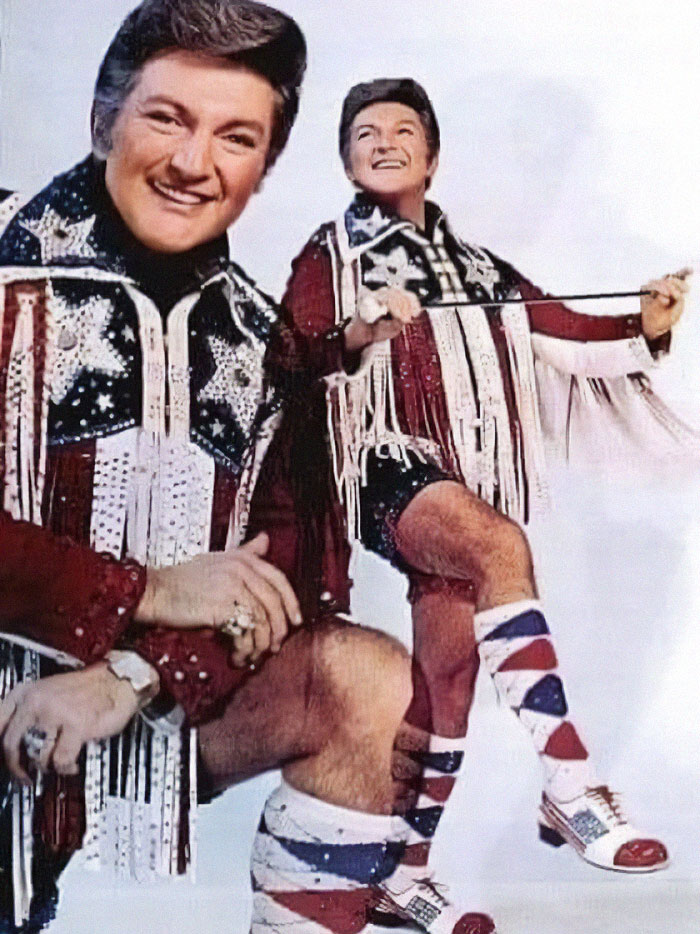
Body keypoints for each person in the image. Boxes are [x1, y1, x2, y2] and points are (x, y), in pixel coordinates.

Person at [0, 13, 499, 934]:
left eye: (236, 138)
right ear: (104, 120)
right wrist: (141, 591)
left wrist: (131, 674)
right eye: (167, 119)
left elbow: (298, 564)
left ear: (265, 169)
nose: (196, 164)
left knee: (356, 679)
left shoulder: (261, 340)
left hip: (102, 716)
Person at [279, 76, 696, 900]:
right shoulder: (330, 255)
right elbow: (292, 354)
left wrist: (647, 322)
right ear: (345, 160)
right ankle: (569, 786)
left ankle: (400, 873)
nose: (385, 141)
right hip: (383, 469)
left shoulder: (477, 264)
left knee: (450, 682)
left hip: (458, 480)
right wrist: (361, 332)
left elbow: (565, 332)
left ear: (431, 156)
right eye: (365, 133)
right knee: (500, 544)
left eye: (403, 129)